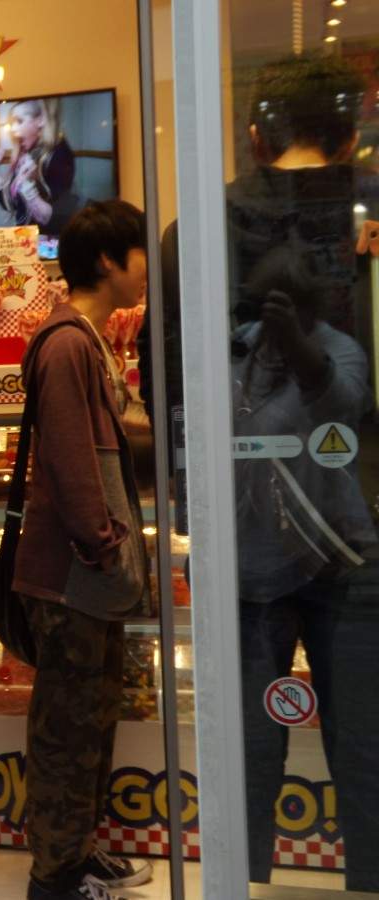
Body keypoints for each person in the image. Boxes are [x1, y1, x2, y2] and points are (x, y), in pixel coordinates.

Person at [223, 55, 379, 892]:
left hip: (337, 559)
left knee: (358, 741)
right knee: (258, 746)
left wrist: (295, 347)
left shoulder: (334, 349)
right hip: (268, 563)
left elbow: (341, 404)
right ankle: (251, 879)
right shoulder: (240, 351)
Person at [14, 201, 153, 900]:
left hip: (91, 578)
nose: (146, 269)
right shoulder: (67, 344)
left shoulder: (87, 339)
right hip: (72, 577)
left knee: (91, 723)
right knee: (67, 733)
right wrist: (105, 546)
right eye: (139, 252)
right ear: (107, 260)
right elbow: (72, 461)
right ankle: (54, 877)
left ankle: (77, 853)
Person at [0, 98, 79, 234]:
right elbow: (10, 205)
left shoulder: (59, 154)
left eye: (19, 121)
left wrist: (27, 186)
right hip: (25, 238)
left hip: (49, 242)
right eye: (12, 123)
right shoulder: (25, 153)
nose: (13, 129)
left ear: (40, 120)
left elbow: (54, 219)